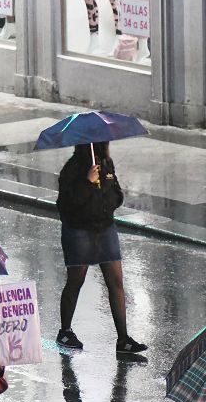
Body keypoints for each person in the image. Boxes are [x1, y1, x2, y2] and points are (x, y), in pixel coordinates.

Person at [55, 142, 147, 354]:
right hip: (79, 231)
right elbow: (65, 205)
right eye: (104, 143)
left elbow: (115, 195)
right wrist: (87, 183)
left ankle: (123, 339)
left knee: (115, 280)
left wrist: (111, 193)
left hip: (105, 228)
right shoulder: (72, 169)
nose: (108, 146)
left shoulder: (106, 164)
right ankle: (65, 331)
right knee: (76, 280)